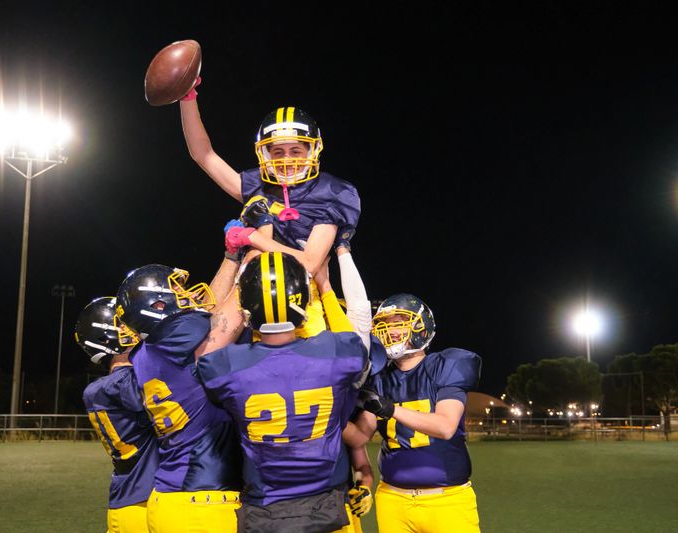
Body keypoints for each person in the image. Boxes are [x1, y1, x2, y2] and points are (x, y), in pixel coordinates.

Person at [196, 252, 370, 533]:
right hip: (325, 508)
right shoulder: (336, 353)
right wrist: (325, 286)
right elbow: (353, 338)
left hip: (264, 511)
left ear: (247, 304)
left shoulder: (225, 365)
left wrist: (240, 279)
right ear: (301, 298)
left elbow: (208, 346)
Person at [115, 257, 247, 533]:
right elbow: (228, 317)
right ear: (158, 305)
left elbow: (212, 315)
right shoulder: (177, 335)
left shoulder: (147, 351)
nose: (187, 296)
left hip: (170, 498)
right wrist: (255, 257)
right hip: (201, 504)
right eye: (178, 291)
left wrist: (231, 257)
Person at [179, 80, 360, 275]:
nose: (287, 159)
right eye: (278, 152)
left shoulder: (332, 191)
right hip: (255, 285)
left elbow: (310, 264)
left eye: (295, 150)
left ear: (311, 151)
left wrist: (253, 237)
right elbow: (203, 155)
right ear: (266, 155)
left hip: (304, 294)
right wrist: (187, 98)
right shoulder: (258, 184)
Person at [346, 294, 482, 533]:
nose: (391, 331)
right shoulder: (378, 378)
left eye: (398, 323)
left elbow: (445, 426)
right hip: (392, 499)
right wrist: (323, 413)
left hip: (446, 500)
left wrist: (389, 409)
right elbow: (359, 437)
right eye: (385, 325)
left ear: (421, 326)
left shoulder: (444, 365)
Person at [76, 296, 159, 533]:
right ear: (108, 337)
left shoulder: (102, 389)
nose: (136, 326)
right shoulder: (119, 385)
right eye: (125, 324)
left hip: (131, 502)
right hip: (139, 508)